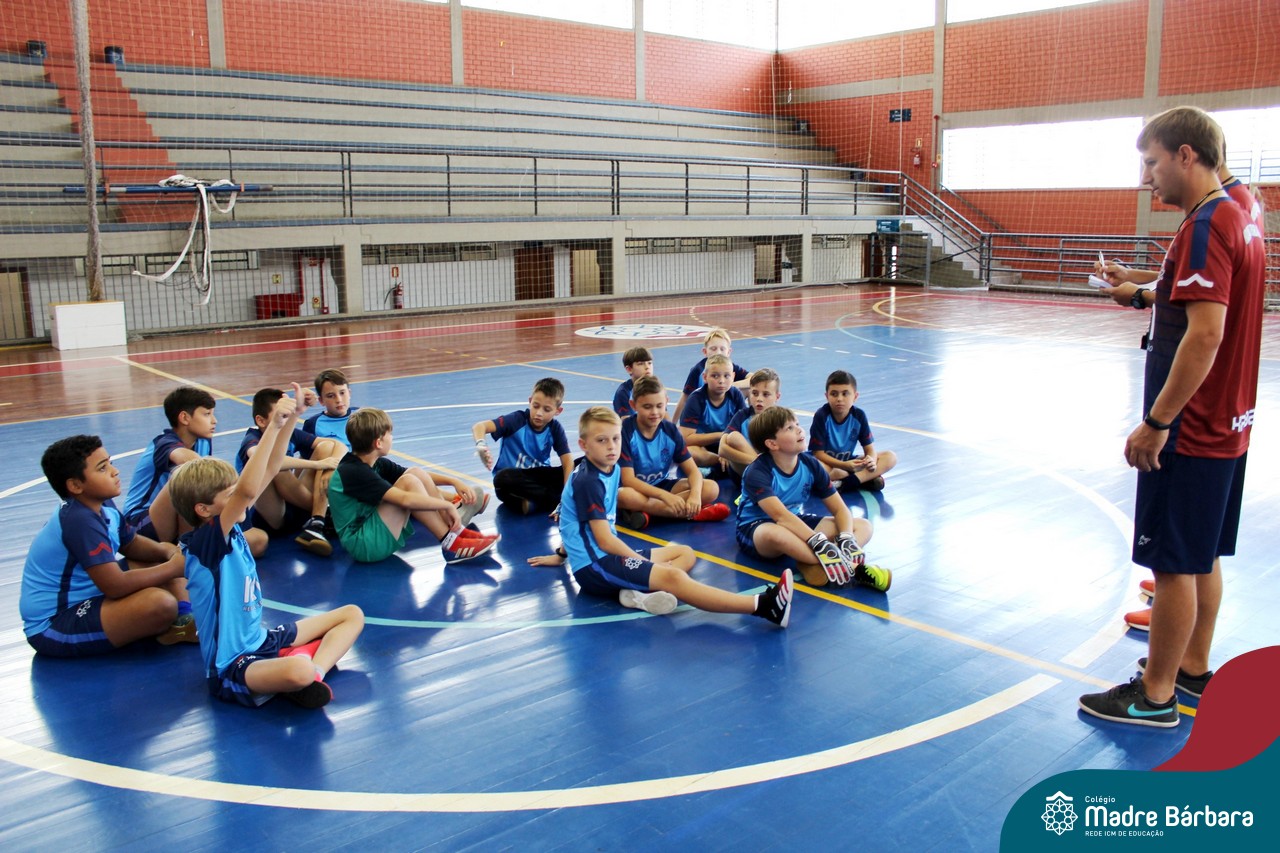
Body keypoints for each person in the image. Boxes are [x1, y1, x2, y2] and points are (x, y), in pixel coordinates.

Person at [1079, 106, 1264, 728]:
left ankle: (1155, 697)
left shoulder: (1207, 223)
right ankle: (1191, 670)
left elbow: (1205, 334)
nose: (1146, 178)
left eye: (1152, 162)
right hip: (1231, 422)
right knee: (1203, 555)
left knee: (1174, 563)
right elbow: (1199, 297)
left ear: (1187, 154)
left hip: (1193, 426)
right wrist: (1139, 283)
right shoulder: (1242, 209)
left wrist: (1157, 421)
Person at [170, 385, 364, 709]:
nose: (240, 495)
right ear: (204, 509)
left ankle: (312, 674)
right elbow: (247, 491)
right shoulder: (206, 541)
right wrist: (273, 424)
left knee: (351, 615)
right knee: (297, 668)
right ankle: (303, 671)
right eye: (227, 495)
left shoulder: (228, 531)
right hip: (233, 665)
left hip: (263, 640)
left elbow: (272, 469)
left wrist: (292, 419)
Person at [528, 407, 793, 626]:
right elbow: (604, 540)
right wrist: (642, 563)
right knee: (674, 578)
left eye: (616, 439)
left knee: (685, 553)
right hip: (594, 565)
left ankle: (635, 592)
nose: (611, 446)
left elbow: (573, 521)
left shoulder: (609, 468)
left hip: (606, 556)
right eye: (602, 440)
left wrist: (562, 553)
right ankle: (763, 606)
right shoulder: (589, 481)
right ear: (583, 445)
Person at [21, 434, 195, 657]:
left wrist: (167, 550)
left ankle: (184, 619)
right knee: (160, 604)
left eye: (110, 463)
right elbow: (114, 586)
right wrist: (174, 567)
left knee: (158, 558)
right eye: (102, 468)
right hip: (54, 624)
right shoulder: (79, 520)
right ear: (75, 485)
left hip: (91, 594)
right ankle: (173, 618)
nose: (115, 471)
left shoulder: (101, 504)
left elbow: (130, 543)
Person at [737, 406, 892, 592]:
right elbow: (781, 517)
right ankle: (854, 568)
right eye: (789, 428)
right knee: (775, 533)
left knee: (862, 526)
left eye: (797, 424)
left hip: (795, 522)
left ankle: (812, 561)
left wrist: (847, 537)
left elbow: (840, 509)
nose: (799, 429)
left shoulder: (810, 464)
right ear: (772, 444)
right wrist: (818, 542)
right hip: (757, 528)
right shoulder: (757, 472)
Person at [329, 408, 496, 564]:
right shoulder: (354, 471)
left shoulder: (373, 462)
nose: (392, 438)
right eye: (390, 434)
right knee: (408, 482)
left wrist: (453, 481)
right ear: (378, 442)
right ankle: (450, 543)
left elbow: (416, 474)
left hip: (371, 528)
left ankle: (456, 532)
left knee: (414, 473)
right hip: (362, 544)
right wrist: (447, 505)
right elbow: (405, 499)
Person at [237, 388, 342, 556]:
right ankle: (328, 515)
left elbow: (337, 446)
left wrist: (330, 467)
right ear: (261, 421)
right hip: (270, 516)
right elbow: (271, 463)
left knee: (327, 447)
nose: (285, 420)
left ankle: (317, 520)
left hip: (292, 506)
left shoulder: (291, 433)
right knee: (276, 467)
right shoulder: (252, 439)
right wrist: (317, 465)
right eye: (281, 415)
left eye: (288, 415)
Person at [617, 375, 729, 525]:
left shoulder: (670, 431)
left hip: (661, 484)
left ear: (666, 402)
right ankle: (695, 514)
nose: (654, 412)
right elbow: (628, 480)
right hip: (635, 489)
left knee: (711, 488)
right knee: (624, 496)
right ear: (633, 405)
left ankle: (650, 514)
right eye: (647, 407)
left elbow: (693, 471)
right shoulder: (626, 431)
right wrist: (665, 496)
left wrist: (695, 496)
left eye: (659, 406)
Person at [122, 386, 220, 546]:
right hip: (138, 523)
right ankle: (190, 550)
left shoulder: (203, 440)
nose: (214, 420)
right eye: (207, 414)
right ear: (184, 418)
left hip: (170, 520)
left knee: (256, 541)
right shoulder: (164, 442)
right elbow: (191, 463)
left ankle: (193, 545)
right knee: (188, 478)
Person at [472, 377, 572, 516]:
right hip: (514, 480)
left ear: (558, 411)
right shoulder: (516, 420)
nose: (539, 413)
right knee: (502, 478)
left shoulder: (555, 428)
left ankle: (548, 501)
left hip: (540, 477)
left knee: (586, 461)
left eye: (546, 409)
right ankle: (560, 499)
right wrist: (481, 444)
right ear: (530, 401)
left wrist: (566, 493)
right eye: (536, 406)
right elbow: (480, 426)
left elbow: (568, 462)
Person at [809, 370, 897, 492]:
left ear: (855, 396)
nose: (839, 399)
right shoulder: (822, 416)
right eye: (834, 394)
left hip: (848, 462)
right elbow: (818, 454)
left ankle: (847, 482)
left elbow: (870, 449)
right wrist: (844, 466)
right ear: (826, 396)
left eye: (845, 394)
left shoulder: (859, 416)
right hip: (827, 463)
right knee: (815, 468)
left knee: (890, 457)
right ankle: (862, 479)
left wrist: (871, 460)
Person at [678, 354, 748, 470]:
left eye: (727, 376)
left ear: (733, 376)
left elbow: (744, 429)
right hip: (704, 447)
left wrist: (727, 448)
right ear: (704, 377)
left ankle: (724, 464)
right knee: (689, 452)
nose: (721, 381)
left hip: (729, 445)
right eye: (715, 376)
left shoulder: (735, 395)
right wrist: (721, 436)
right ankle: (723, 462)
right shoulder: (696, 399)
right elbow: (686, 438)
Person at [671, 328, 749, 422]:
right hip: (704, 413)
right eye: (713, 349)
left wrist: (732, 385)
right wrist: (672, 425)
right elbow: (684, 398)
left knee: (750, 388)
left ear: (728, 352)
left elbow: (754, 378)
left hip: (723, 408)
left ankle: (754, 425)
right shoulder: (698, 370)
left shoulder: (730, 367)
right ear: (705, 351)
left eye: (722, 349)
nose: (718, 352)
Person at [718, 367, 781, 477]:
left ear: (777, 396)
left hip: (775, 469)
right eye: (755, 393)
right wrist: (756, 461)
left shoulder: (782, 419)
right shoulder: (742, 416)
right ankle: (762, 473)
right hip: (747, 470)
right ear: (749, 394)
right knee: (733, 437)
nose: (759, 399)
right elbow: (722, 449)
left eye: (766, 394)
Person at [302, 368, 360, 450]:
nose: (339, 400)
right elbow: (306, 456)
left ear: (349, 393)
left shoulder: (362, 415)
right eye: (331, 396)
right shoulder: (313, 424)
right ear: (321, 400)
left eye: (342, 393)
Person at [613, 346, 656, 417]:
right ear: (629, 369)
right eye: (640, 364)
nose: (647, 367)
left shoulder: (656, 388)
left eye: (649, 363)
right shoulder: (623, 393)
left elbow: (666, 418)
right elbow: (626, 422)